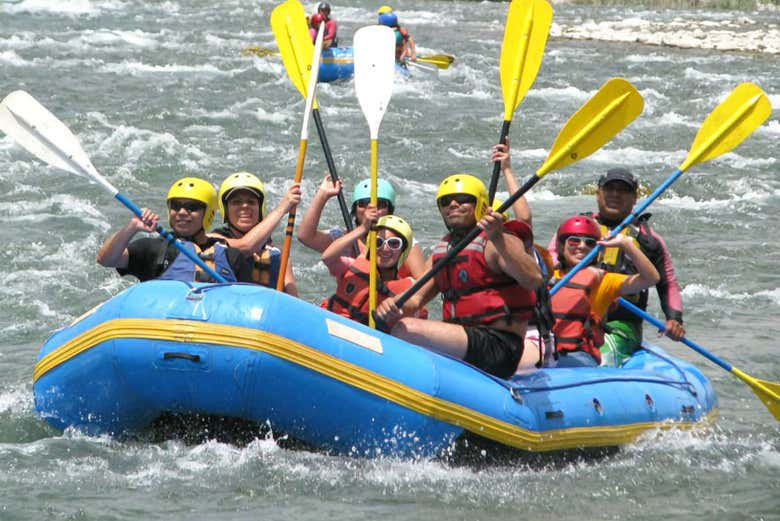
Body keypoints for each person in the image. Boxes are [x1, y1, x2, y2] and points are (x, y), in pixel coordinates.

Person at [376, 174, 543, 378]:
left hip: (499, 346)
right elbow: (415, 298)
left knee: (406, 329)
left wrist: (498, 237)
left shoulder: (498, 241)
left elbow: (533, 279)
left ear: (480, 203)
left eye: (463, 199)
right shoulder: (444, 250)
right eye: (445, 202)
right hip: (465, 341)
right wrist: (393, 304)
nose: (453, 205)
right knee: (394, 324)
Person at [548, 167, 685, 366]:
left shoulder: (648, 240)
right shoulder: (577, 230)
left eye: (623, 190)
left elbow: (667, 283)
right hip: (573, 316)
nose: (615, 194)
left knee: (597, 358)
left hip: (621, 323)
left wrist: (674, 319)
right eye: (609, 189)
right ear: (597, 194)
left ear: (635, 197)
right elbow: (550, 265)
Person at [550, 215, 660, 367]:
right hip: (547, 351)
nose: (581, 246)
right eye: (574, 240)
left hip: (580, 356)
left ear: (597, 249)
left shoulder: (604, 281)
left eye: (590, 243)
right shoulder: (547, 277)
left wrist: (625, 244)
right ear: (562, 246)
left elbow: (651, 278)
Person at [96, 177, 254, 283]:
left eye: (192, 207)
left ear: (209, 213)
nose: (182, 212)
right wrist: (132, 227)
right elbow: (106, 259)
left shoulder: (231, 255)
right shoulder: (153, 248)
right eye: (176, 206)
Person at [491, 142, 556, 369]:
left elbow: (524, 217)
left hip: (531, 336)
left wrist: (507, 169)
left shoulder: (520, 248)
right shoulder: (476, 252)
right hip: (488, 336)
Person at [297, 175, 426, 278]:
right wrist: (322, 195)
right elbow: (305, 236)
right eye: (363, 203)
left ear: (389, 210)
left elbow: (423, 289)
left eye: (380, 204)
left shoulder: (401, 243)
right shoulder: (344, 239)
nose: (371, 208)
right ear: (355, 209)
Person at [321, 209, 425, 325]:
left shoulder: (410, 289)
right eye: (378, 242)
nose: (385, 249)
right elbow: (327, 257)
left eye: (394, 243)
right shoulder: (353, 266)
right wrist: (363, 229)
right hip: (333, 324)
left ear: (403, 251)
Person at [210, 172, 301, 295]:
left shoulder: (278, 254)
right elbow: (247, 246)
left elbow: (293, 301)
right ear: (225, 210)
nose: (245, 206)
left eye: (251, 202)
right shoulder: (212, 241)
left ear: (260, 208)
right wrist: (283, 208)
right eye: (236, 202)